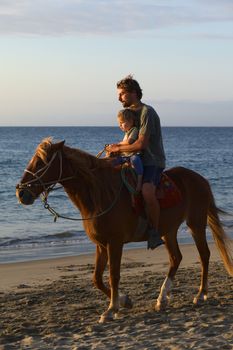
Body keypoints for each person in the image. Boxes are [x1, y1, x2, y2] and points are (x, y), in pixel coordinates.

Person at [107, 75, 166, 250]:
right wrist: (115, 148)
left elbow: (141, 144)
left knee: (147, 191)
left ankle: (154, 232)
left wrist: (117, 149)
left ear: (133, 93)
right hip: (133, 158)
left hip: (151, 161)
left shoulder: (147, 112)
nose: (119, 98)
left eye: (122, 94)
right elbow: (128, 139)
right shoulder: (129, 114)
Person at [112, 109, 143, 192]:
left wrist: (117, 144)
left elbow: (130, 141)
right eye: (119, 124)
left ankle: (139, 181)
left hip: (132, 155)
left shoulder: (134, 130)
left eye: (122, 123)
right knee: (111, 162)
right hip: (125, 156)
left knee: (135, 160)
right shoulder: (127, 132)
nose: (120, 126)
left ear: (130, 121)